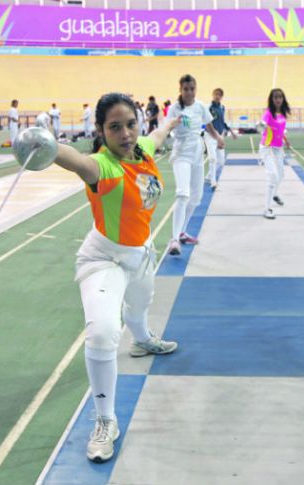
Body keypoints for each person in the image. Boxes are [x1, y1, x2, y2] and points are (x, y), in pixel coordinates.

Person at [42, 93, 181, 463]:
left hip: (139, 255)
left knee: (139, 310)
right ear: (101, 132)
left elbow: (159, 134)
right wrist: (47, 145)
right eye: (115, 127)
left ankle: (143, 340)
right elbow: (75, 161)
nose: (125, 133)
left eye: (130, 124)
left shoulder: (144, 151)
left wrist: (171, 121)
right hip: (103, 258)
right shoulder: (102, 166)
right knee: (103, 332)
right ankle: (105, 420)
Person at [165, 74, 224, 255]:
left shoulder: (200, 107)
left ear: (195, 89)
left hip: (197, 153)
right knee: (183, 194)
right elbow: (166, 129)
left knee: (196, 197)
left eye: (192, 89)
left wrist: (218, 138)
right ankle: (174, 240)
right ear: (180, 90)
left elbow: (209, 126)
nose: (189, 92)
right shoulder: (175, 109)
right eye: (185, 89)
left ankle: (181, 231)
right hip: (181, 154)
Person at [258, 88, 292, 220]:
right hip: (267, 148)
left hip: (278, 148)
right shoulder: (268, 113)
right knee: (273, 175)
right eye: (275, 97)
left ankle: (274, 194)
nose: (278, 99)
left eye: (280, 97)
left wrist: (286, 141)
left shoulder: (283, 114)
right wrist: (260, 126)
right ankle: (267, 209)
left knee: (281, 174)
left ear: (283, 99)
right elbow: (263, 124)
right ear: (271, 100)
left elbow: (281, 130)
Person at [205, 88, 238, 191]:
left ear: (222, 97)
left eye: (219, 95)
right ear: (213, 95)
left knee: (221, 161)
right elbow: (205, 122)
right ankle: (213, 183)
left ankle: (208, 177)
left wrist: (231, 132)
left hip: (220, 136)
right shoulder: (208, 107)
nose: (217, 96)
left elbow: (223, 122)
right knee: (212, 159)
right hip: (210, 135)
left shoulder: (222, 108)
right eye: (216, 94)